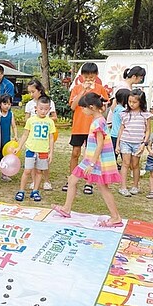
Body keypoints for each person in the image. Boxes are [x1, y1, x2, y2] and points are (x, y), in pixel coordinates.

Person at [53, 93, 123, 227]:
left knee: (103, 187)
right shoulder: (98, 120)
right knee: (72, 179)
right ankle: (66, 208)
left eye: (84, 108)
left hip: (96, 161)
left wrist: (92, 163)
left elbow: (100, 144)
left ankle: (115, 217)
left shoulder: (98, 122)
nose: (83, 111)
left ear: (91, 107)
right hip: (90, 159)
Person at [66, 62, 108, 194]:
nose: (89, 79)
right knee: (75, 153)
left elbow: (104, 106)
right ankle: (72, 179)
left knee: (90, 155)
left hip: (93, 127)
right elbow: (73, 107)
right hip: (79, 126)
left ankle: (89, 182)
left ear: (96, 75)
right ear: (82, 76)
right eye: (86, 76)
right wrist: (83, 91)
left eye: (92, 76)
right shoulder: (77, 88)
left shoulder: (100, 89)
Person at [14, 97, 56, 202]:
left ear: (49, 109)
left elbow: (51, 138)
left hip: (43, 151)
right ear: (36, 108)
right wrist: (19, 146)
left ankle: (35, 191)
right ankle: (21, 191)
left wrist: (51, 152)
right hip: (31, 149)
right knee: (27, 170)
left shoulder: (50, 122)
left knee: (39, 171)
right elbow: (25, 135)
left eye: (46, 109)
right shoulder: (31, 120)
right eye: (41, 108)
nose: (43, 111)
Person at [116, 89, 153, 196]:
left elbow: (148, 130)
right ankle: (123, 187)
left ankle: (135, 186)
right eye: (129, 101)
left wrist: (144, 144)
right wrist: (117, 144)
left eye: (134, 102)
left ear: (141, 102)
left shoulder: (145, 115)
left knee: (135, 164)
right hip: (125, 141)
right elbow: (121, 129)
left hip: (138, 143)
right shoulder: (124, 114)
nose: (131, 104)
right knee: (125, 163)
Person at [22, 79, 56, 188]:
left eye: (33, 91)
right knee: (32, 161)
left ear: (39, 90)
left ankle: (46, 180)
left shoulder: (48, 102)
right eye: (29, 92)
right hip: (33, 135)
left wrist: (45, 119)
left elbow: (55, 117)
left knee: (43, 159)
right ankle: (33, 181)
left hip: (44, 133)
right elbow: (26, 119)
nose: (31, 94)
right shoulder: (29, 104)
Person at [0, 94, 18, 182]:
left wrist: (15, 135)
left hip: (6, 139)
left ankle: (5, 173)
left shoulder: (10, 114)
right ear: (0, 104)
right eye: (5, 103)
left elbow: (14, 126)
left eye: (9, 104)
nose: (7, 106)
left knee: (5, 156)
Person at [109, 88, 131, 167]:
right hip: (120, 135)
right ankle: (128, 166)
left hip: (113, 134)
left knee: (113, 154)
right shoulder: (123, 111)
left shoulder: (116, 108)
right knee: (123, 153)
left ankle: (112, 167)